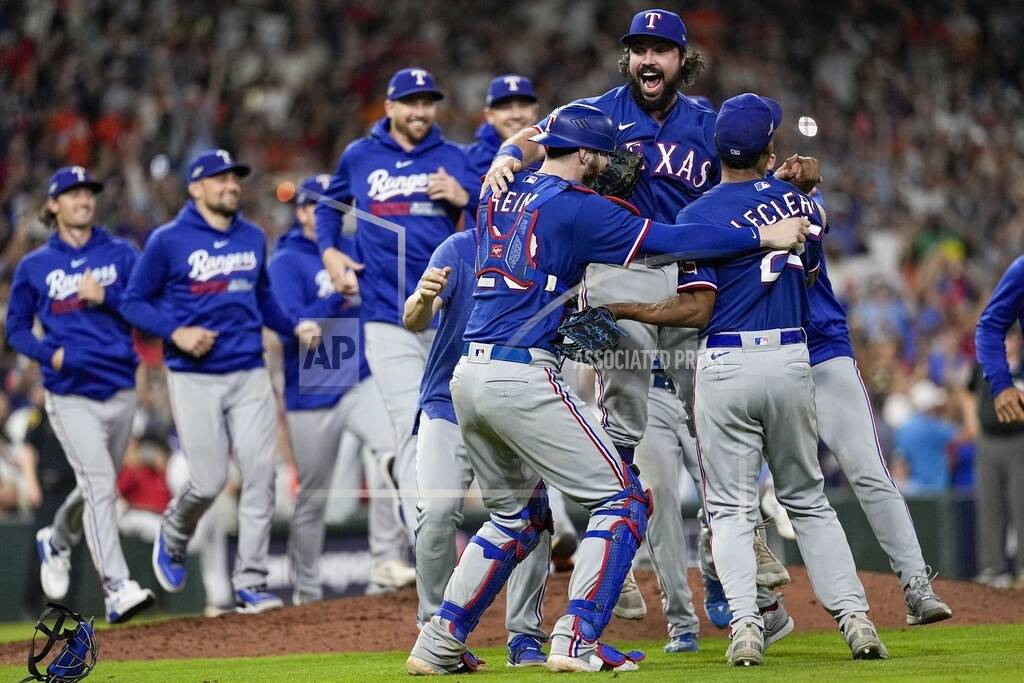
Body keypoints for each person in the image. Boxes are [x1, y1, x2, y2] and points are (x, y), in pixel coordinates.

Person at [405, 102, 809, 674]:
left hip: (468, 376)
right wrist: (761, 234)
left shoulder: (500, 190)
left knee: (512, 518)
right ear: (588, 154)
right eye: (604, 155)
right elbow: (674, 237)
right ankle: (577, 639)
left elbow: (525, 143)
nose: (612, 165)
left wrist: (502, 152)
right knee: (622, 500)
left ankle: (439, 641)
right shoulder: (582, 211)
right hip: (521, 373)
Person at [482, 8, 803, 611]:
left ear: (683, 60)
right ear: (626, 57)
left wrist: (790, 179)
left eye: (661, 49)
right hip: (617, 271)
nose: (648, 59)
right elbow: (533, 138)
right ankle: (617, 543)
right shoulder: (599, 112)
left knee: (712, 413)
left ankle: (728, 544)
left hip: (688, 276)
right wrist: (506, 154)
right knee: (624, 406)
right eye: (639, 49)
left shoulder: (709, 123)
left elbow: (751, 170)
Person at [608, 94, 885, 665]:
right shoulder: (796, 200)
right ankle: (856, 622)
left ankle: (745, 629)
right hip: (788, 358)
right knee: (808, 500)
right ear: (768, 149)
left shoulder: (693, 216)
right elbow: (820, 228)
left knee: (730, 509)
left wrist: (628, 309)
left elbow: (698, 309)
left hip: (725, 362)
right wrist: (807, 185)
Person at [121, 149, 320, 613]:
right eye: (220, 179)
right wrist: (176, 332)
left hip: (248, 369)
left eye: (234, 178)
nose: (231, 185)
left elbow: (265, 298)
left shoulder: (252, 237)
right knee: (208, 481)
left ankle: (251, 580)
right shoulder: (168, 241)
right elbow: (133, 301)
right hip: (194, 375)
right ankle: (174, 528)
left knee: (260, 475)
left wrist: (293, 326)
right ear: (196, 187)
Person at [315, 68, 477, 532]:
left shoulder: (454, 157)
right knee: (411, 429)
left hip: (451, 318)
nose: (422, 111)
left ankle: (452, 527)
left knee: (460, 428)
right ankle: (427, 542)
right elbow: (329, 205)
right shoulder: (360, 156)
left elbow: (493, 216)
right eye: (412, 102)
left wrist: (463, 195)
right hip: (387, 316)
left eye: (428, 102)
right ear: (390, 107)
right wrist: (330, 252)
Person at [6, 166, 155, 624]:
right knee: (99, 485)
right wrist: (47, 355)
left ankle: (56, 541)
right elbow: (15, 328)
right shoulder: (35, 265)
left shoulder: (121, 253)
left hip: (119, 386)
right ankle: (117, 588)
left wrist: (106, 295)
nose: (83, 199)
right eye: (71, 194)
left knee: (98, 487)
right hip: (69, 392)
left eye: (87, 192)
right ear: (53, 205)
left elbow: (147, 311)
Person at [404, 228, 549, 667]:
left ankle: (524, 635)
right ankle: (435, 630)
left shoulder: (547, 244)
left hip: (515, 402)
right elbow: (414, 318)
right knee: (434, 514)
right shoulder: (459, 247)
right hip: (447, 403)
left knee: (532, 519)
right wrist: (423, 300)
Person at [269, 174, 414, 604]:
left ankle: (385, 563)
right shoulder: (285, 263)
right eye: (312, 207)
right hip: (312, 389)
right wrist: (336, 294)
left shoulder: (354, 247)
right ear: (299, 213)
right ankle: (306, 592)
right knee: (313, 495)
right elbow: (294, 325)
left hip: (360, 376)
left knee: (394, 455)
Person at [969, 330, 1024, 587]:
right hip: (989, 439)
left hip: (1018, 440)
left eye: (1010, 337)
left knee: (1021, 504)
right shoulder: (983, 365)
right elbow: (967, 392)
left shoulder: (1021, 368)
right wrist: (973, 423)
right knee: (989, 505)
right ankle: (994, 568)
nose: (1005, 343)